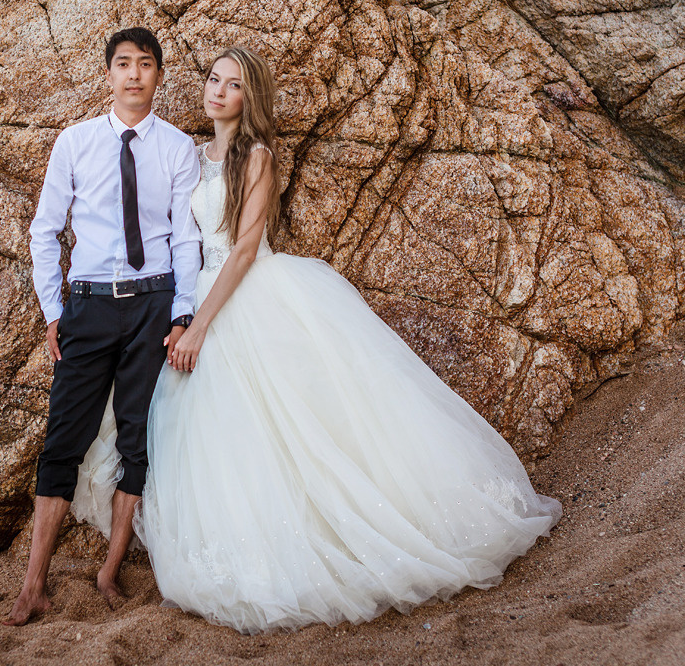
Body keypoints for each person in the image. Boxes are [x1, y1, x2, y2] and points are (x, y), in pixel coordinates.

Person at [76, 46, 561, 633]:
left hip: (249, 293)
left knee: (290, 425)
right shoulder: (194, 156)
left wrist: (199, 325)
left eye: (233, 84)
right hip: (196, 291)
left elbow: (245, 249)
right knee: (212, 429)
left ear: (250, 97)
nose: (218, 91)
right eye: (213, 79)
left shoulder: (257, 156)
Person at [4, 27, 202, 626]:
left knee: (137, 436)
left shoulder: (178, 148)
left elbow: (185, 237)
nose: (134, 74)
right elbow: (45, 231)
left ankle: (110, 571)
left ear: (159, 74)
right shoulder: (75, 142)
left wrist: (182, 312)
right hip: (88, 306)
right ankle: (33, 585)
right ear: (108, 74)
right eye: (123, 64)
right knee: (64, 436)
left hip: (152, 304)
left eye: (145, 64)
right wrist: (53, 310)